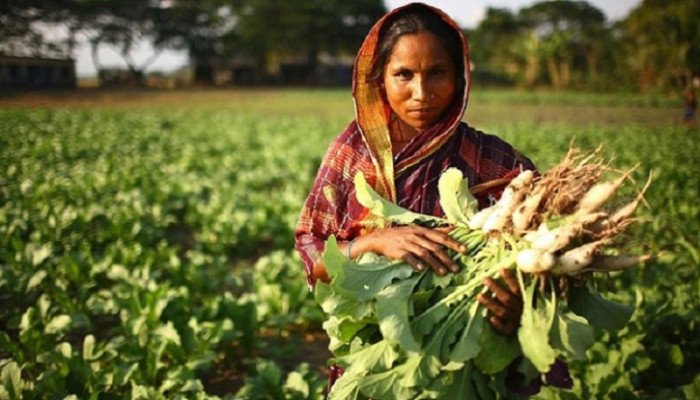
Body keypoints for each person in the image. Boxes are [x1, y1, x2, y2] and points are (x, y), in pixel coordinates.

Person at [295, 2, 538, 394]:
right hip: (371, 364)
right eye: (403, 74)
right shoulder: (352, 153)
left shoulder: (500, 164)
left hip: (467, 366)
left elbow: (546, 271)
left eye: (437, 73)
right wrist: (373, 242)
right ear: (379, 79)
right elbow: (313, 255)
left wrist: (519, 308)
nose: (421, 93)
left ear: (460, 78)